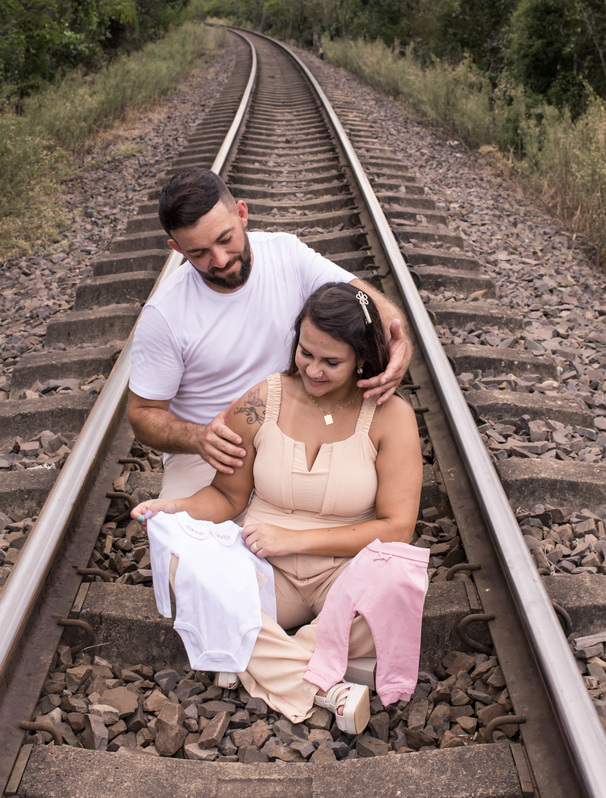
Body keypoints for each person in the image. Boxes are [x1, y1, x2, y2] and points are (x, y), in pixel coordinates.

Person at [132, 282, 424, 735]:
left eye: (331, 362)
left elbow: (397, 528)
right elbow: (228, 497)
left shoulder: (392, 416)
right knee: (181, 562)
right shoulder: (260, 402)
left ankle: (250, 657)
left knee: (398, 581)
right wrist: (175, 507)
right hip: (266, 572)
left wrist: (295, 539)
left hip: (345, 574)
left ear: (362, 359)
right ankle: (324, 684)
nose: (314, 370)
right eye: (306, 353)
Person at [127, 168, 412, 501]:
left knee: (349, 513)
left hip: (302, 431)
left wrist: (398, 337)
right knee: (184, 531)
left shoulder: (286, 253)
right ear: (177, 248)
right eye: (198, 253)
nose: (220, 260)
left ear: (242, 214)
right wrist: (199, 438)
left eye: (225, 239)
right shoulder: (164, 315)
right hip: (216, 452)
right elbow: (142, 414)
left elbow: (364, 299)